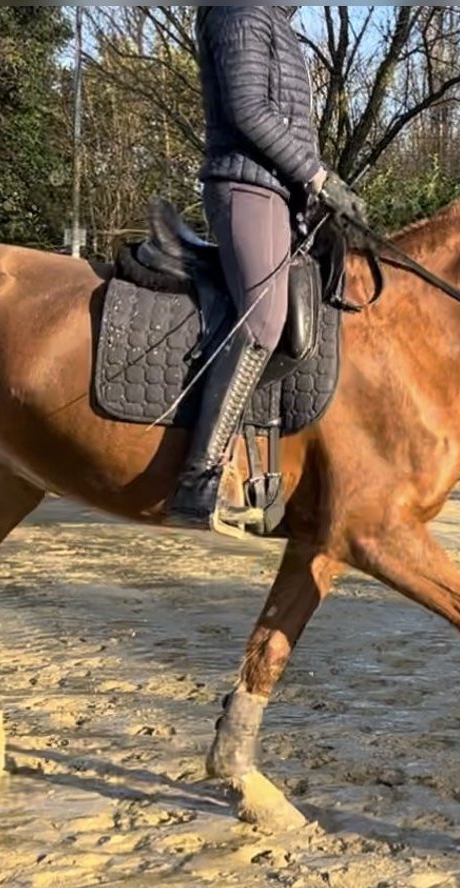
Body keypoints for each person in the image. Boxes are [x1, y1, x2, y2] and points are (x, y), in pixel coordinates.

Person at [166, 5, 367, 529]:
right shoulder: (242, 10)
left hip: (281, 193)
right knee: (263, 319)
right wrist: (319, 178)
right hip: (246, 186)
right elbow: (248, 108)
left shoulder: (276, 20)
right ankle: (201, 476)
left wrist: (316, 188)